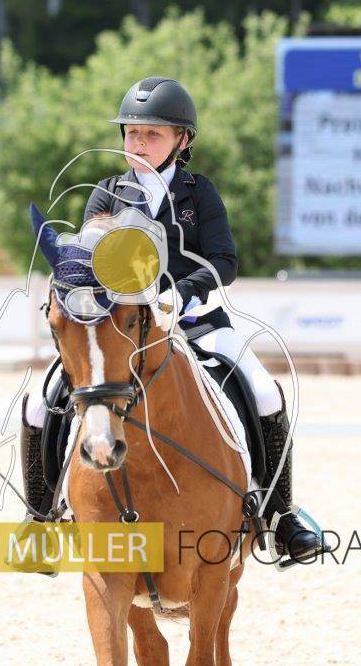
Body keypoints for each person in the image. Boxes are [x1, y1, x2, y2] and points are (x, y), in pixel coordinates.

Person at [19, 77, 323, 563]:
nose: (139, 144)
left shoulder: (199, 194)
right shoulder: (106, 193)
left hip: (197, 322)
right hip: (121, 329)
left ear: (182, 140)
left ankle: (281, 515)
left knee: (265, 391)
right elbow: (88, 257)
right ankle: (40, 518)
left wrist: (182, 293)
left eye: (152, 134)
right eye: (132, 133)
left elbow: (225, 262)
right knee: (42, 399)